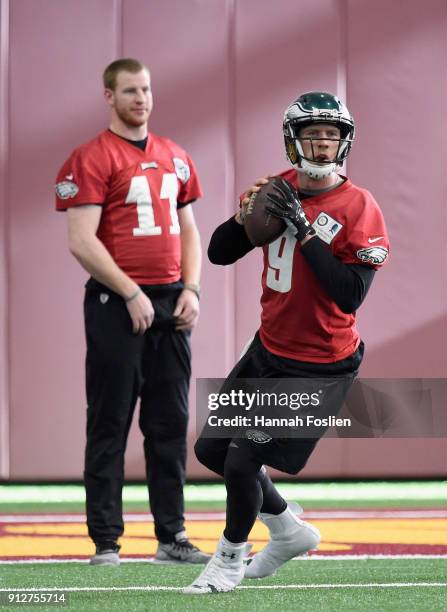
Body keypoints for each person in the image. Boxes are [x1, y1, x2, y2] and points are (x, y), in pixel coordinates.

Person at [184, 91, 389, 593]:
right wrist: (244, 217)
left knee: (241, 459)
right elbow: (218, 254)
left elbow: (349, 295)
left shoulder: (359, 206)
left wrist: (306, 232)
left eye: (332, 135)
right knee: (214, 451)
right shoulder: (276, 190)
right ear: (292, 139)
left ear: (345, 141)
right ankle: (288, 530)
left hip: (319, 364)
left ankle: (229, 560)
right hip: (269, 347)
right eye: (313, 134)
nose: (323, 144)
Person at [55, 58, 210, 566]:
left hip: (169, 304)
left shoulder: (176, 156)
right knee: (110, 422)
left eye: (145, 89)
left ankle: (172, 535)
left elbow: (188, 229)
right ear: (109, 96)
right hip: (116, 304)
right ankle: (106, 541)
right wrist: (129, 291)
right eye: (129, 91)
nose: (141, 98)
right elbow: (81, 241)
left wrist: (192, 289)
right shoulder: (92, 156)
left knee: (169, 426)